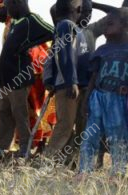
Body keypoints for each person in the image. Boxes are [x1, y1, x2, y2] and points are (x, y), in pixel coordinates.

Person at [80, 9, 128, 176]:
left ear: (125, 25)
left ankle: (118, 172)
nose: (105, 27)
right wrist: (87, 99)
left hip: (120, 98)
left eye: (110, 24)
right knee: (90, 135)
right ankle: (84, 171)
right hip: (98, 96)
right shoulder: (102, 49)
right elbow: (94, 75)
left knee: (119, 135)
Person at [0, 0, 54, 160]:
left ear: (17, 3)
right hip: (6, 80)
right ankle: (1, 147)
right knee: (4, 113)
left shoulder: (31, 19)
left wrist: (31, 44)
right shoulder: (14, 23)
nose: (7, 9)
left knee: (19, 114)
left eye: (9, 5)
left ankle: (25, 149)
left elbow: (53, 32)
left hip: (19, 78)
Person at [44, 0, 92, 162]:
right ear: (78, 9)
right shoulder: (66, 25)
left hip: (78, 86)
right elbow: (64, 54)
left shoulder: (74, 29)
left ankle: (71, 162)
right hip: (69, 86)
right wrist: (71, 81)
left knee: (80, 126)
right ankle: (46, 162)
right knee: (65, 126)